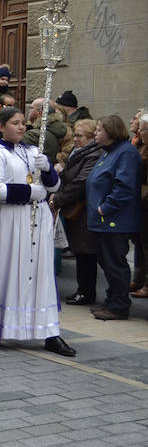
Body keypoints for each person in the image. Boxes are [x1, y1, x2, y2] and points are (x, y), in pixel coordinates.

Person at [0, 107, 75, 357]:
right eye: (15, 123)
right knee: (13, 271)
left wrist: (49, 169)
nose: (21, 127)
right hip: (11, 219)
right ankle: (2, 325)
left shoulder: (35, 151)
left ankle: (49, 332)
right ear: (0, 126)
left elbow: (53, 185)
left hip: (38, 220)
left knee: (41, 273)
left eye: (23, 123)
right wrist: (30, 192)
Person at [85, 115, 141, 321]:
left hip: (113, 221)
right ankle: (111, 300)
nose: (96, 133)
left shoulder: (125, 153)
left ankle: (119, 306)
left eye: (99, 129)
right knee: (107, 263)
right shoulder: (109, 152)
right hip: (103, 221)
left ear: (111, 131)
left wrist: (105, 208)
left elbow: (124, 187)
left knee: (115, 263)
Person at [50, 119, 101, 305]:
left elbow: (80, 183)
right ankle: (83, 290)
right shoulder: (78, 150)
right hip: (74, 207)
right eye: (75, 135)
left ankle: (86, 292)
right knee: (81, 250)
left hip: (83, 210)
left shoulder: (94, 154)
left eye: (79, 136)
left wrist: (58, 199)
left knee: (86, 252)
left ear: (90, 137)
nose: (75, 139)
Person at [23, 97, 67, 165]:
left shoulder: (33, 135)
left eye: (31, 108)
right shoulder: (54, 130)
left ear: (40, 113)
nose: (29, 111)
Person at [133, 113, 148, 298]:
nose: (140, 132)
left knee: (146, 244)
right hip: (140, 202)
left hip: (145, 201)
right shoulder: (140, 145)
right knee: (140, 242)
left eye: (143, 130)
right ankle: (139, 278)